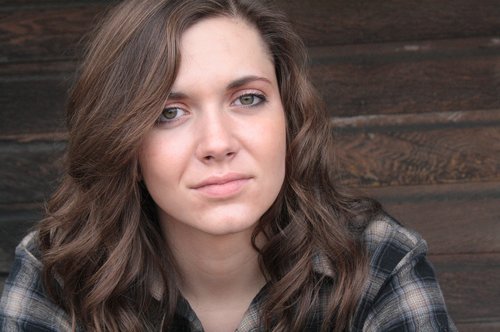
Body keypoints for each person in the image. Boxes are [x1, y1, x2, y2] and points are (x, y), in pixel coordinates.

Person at [0, 0, 456, 331]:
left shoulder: (376, 261)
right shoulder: (58, 274)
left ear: (289, 122)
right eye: (168, 112)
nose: (217, 144)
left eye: (248, 99)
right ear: (125, 146)